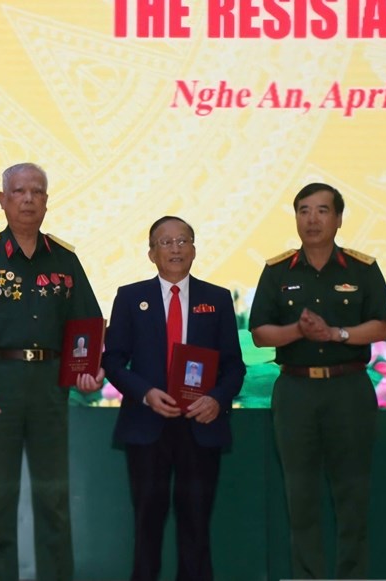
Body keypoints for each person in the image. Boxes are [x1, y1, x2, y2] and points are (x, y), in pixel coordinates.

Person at [0, 162, 104, 581]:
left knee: (53, 499)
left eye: (37, 191)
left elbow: (88, 325)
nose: (28, 199)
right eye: (19, 191)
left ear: (47, 201)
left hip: (50, 384)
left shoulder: (65, 259)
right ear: (3, 200)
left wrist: (90, 372)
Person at [249, 183, 386, 579]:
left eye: (322, 211)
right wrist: (298, 330)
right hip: (295, 392)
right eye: (304, 211)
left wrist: (335, 334)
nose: (312, 219)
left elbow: (382, 326)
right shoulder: (277, 271)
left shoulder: (362, 269)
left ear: (339, 218)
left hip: (348, 390)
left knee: (352, 494)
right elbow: (260, 333)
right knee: (300, 496)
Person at [101, 216, 245, 581]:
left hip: (200, 424)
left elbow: (234, 366)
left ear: (194, 249)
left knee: (196, 523)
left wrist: (216, 400)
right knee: (147, 523)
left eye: (183, 240)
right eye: (165, 242)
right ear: (151, 253)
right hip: (147, 425)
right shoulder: (130, 297)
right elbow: (113, 360)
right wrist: (145, 393)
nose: (175, 248)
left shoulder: (217, 299)